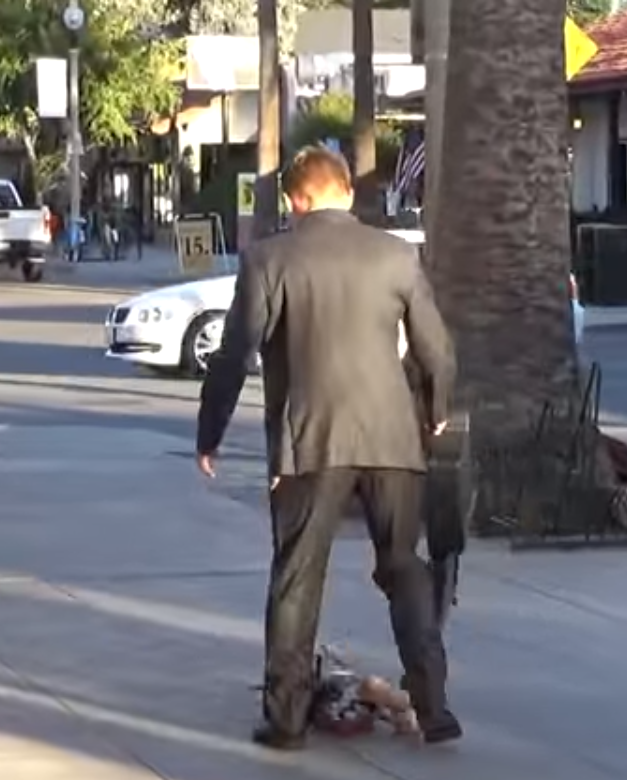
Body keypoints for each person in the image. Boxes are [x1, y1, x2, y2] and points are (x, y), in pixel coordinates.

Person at [195, 146, 460, 749]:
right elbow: (436, 349)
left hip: (308, 442)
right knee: (404, 568)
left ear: (298, 199)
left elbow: (235, 354)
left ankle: (286, 721)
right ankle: (434, 706)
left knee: (297, 577)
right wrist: (436, 411)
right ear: (346, 190)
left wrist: (210, 432)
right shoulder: (395, 255)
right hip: (392, 438)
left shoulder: (270, 258)